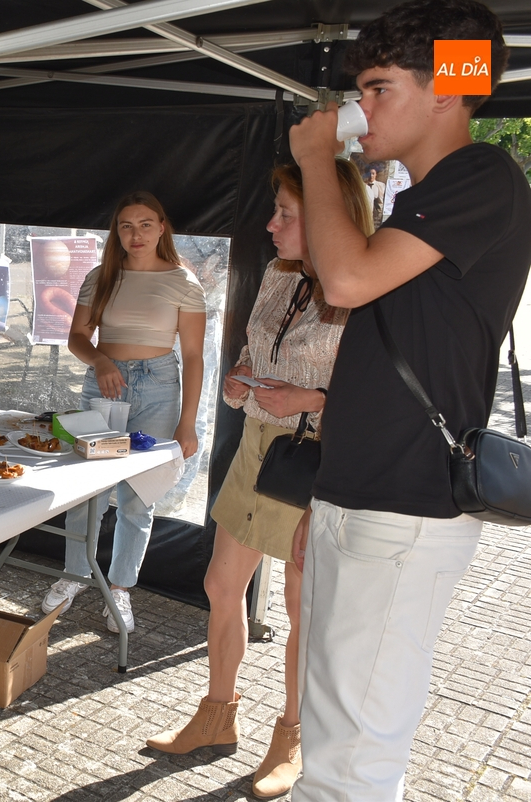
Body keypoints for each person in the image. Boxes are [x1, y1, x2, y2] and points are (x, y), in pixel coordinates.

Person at [287, 2, 531, 799]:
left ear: (450, 92)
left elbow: (345, 281)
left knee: (354, 758)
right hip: (359, 496)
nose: (360, 112)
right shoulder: (420, 200)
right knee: (333, 736)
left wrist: (319, 160)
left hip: (404, 505)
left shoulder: (482, 175)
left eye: (379, 88)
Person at [145, 161, 373, 800]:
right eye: (274, 211)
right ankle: (217, 716)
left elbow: (374, 394)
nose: (270, 226)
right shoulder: (277, 274)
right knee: (221, 585)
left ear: (330, 218)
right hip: (255, 445)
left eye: (286, 216)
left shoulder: (361, 286)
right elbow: (254, 349)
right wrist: (242, 376)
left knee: (304, 610)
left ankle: (293, 735)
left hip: (316, 459)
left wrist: (310, 396)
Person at [40, 192, 206, 632]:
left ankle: (120, 589)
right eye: (126, 226)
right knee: (87, 486)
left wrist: (187, 421)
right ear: (116, 231)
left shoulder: (184, 282)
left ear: (162, 226)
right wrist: (100, 360)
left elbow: (193, 355)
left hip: (158, 386)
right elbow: (78, 335)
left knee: (138, 496)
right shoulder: (102, 276)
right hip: (104, 383)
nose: (136, 234)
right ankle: (75, 574)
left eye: (145, 224)